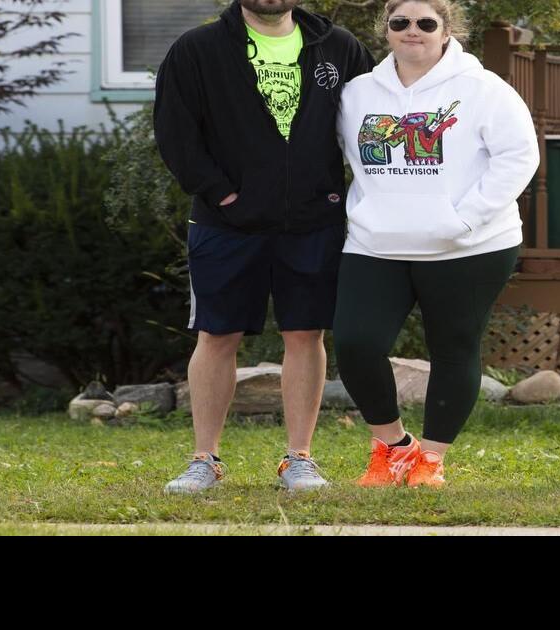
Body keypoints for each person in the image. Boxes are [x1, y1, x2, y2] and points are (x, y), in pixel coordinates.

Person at [154, 0, 374, 493]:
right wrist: (219, 191)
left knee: (305, 334)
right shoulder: (198, 48)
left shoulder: (338, 47)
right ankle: (203, 459)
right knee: (217, 335)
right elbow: (174, 129)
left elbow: (369, 123)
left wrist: (348, 193)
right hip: (225, 223)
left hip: (314, 218)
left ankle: (299, 459)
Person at [333, 0, 539, 488]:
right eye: (399, 22)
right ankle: (393, 448)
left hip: (469, 245)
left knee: (453, 347)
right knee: (356, 343)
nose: (412, 32)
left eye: (426, 23)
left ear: (447, 30)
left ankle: (431, 460)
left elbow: (518, 157)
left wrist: (463, 220)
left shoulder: (484, 89)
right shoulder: (358, 93)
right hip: (376, 242)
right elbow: (343, 157)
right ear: (385, 29)